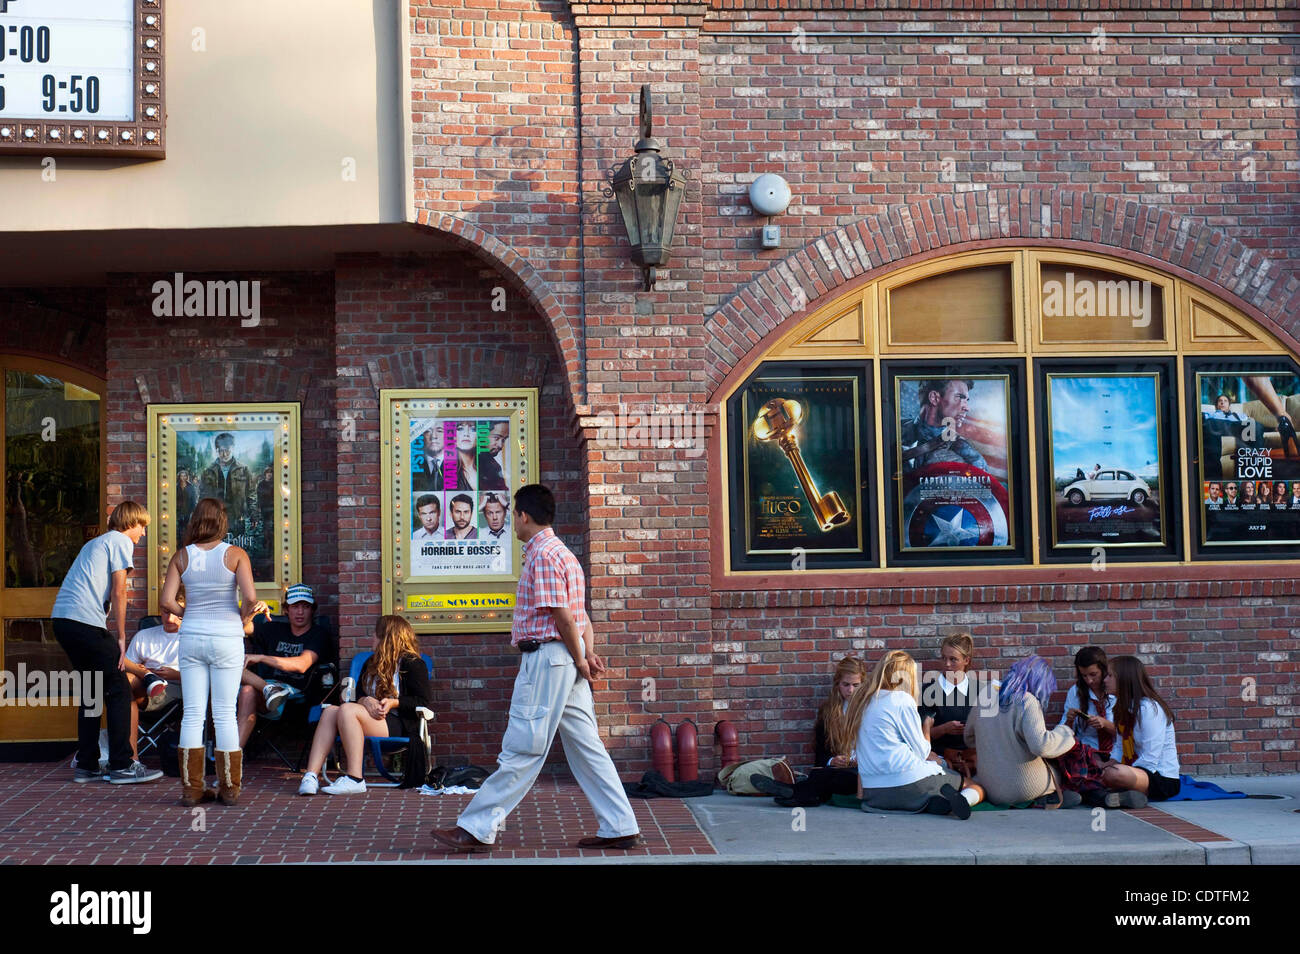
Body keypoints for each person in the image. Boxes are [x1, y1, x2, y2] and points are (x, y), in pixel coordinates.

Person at [430, 483, 642, 852]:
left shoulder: (542, 556)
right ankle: (620, 826)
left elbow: (562, 617)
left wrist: (580, 658)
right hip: (565, 659)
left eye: (513, 515)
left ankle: (477, 828)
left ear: (523, 516)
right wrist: (586, 656)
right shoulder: (565, 555)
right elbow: (581, 618)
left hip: (547, 659)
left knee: (523, 747)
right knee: (588, 748)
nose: (513, 522)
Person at [161, 497, 269, 808]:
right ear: (222, 521)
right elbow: (249, 600)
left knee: (193, 713)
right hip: (227, 638)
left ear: (195, 520)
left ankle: (192, 790)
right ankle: (230, 789)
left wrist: (188, 612)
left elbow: (167, 601)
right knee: (224, 713)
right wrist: (246, 615)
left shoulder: (182, 557)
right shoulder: (236, 554)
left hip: (192, 636)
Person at [52, 501, 163, 784]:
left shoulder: (96, 543)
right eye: (143, 526)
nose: (143, 534)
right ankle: (122, 765)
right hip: (84, 622)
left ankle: (87, 765)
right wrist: (122, 637)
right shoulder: (119, 540)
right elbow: (118, 590)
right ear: (130, 523)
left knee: (91, 690)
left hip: (63, 621)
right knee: (118, 688)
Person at [298, 615, 432, 795]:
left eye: (376, 635)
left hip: (398, 724)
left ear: (387, 637)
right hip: (369, 719)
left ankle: (355, 778)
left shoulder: (413, 664)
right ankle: (311, 776)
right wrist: (366, 700)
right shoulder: (371, 663)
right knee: (330, 711)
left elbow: (423, 701)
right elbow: (357, 696)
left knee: (346, 709)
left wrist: (393, 703)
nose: (372, 638)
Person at [852, 650, 984, 819]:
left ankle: (930, 802)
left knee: (933, 783)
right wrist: (927, 727)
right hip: (909, 783)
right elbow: (922, 752)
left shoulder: (864, 702)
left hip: (875, 794)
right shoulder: (901, 699)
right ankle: (959, 801)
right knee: (974, 786)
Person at [964, 655, 1078, 808]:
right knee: (1057, 771)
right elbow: (1041, 745)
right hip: (1021, 787)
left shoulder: (986, 695)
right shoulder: (1027, 700)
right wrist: (1065, 732)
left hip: (990, 786)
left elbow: (968, 737)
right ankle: (1046, 798)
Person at [754, 656, 867, 807]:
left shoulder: (870, 709)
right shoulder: (829, 712)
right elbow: (821, 752)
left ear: (863, 684)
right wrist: (832, 760)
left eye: (856, 685)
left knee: (841, 779)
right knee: (820, 775)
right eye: (846, 684)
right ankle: (801, 796)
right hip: (836, 769)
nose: (851, 690)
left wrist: (861, 760)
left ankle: (791, 791)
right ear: (837, 684)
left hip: (861, 772)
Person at [236, 583, 329, 748]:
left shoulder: (318, 634)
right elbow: (238, 628)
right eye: (295, 606)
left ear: (312, 610)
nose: (300, 612)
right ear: (286, 609)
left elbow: (302, 664)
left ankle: (232, 755)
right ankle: (232, 757)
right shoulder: (274, 629)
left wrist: (262, 658)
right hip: (266, 691)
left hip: (294, 694)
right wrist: (253, 612)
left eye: (305, 607)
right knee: (233, 668)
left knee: (247, 689)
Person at [1100, 655, 1181, 803]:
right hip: (1134, 770)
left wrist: (1117, 772)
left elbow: (1150, 758)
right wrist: (1105, 766)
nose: (1105, 680)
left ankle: (1120, 790)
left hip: (1160, 777)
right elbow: (1119, 747)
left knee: (1114, 775)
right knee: (1098, 769)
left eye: (1110, 676)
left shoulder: (1149, 709)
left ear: (1125, 679)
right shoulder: (1121, 707)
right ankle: (1123, 796)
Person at [123, 599, 184, 760]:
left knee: (121, 689)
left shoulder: (194, 636)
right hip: (142, 688)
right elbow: (126, 665)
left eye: (176, 613)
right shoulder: (144, 636)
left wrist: (175, 675)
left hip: (178, 689)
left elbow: (205, 675)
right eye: (165, 612)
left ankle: (129, 757)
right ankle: (128, 756)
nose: (170, 618)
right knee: (123, 682)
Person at [900, 379, 988, 471]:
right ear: (934, 398)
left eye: (966, 400)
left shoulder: (966, 453)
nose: (967, 408)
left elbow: (984, 481)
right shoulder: (894, 433)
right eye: (960, 397)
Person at [920, 633, 976, 771]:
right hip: (939, 762)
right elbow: (918, 737)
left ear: (966, 660)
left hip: (975, 762)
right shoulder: (928, 691)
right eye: (943, 658)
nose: (947, 664)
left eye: (953, 659)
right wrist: (944, 729)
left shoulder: (980, 692)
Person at [1058, 646, 1116, 756]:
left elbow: (1131, 734)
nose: (1089, 680)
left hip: (1117, 753)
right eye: (1084, 675)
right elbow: (1064, 733)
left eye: (1093, 674)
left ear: (1104, 670)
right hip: (1087, 752)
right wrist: (1069, 720)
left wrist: (1106, 724)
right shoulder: (1075, 692)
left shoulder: (1116, 689)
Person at [199, 433, 257, 535]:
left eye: (227, 450)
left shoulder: (243, 470)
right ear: (217, 450)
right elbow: (203, 497)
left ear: (233, 449)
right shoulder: (208, 472)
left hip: (237, 518)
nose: (224, 454)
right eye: (221, 451)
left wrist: (254, 515)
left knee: (237, 547)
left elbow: (251, 494)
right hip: (215, 519)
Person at [478, 421, 510, 491]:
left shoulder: (494, 466)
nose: (501, 446)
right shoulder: (470, 461)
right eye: (496, 438)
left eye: (504, 440)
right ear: (482, 434)